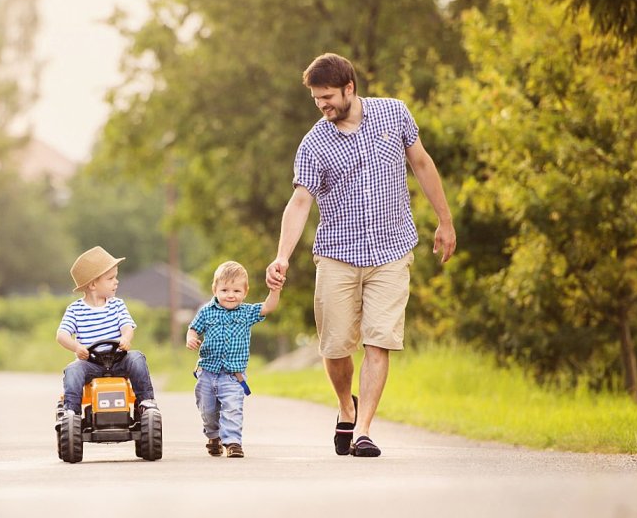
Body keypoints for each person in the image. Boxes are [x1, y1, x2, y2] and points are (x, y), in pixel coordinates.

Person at [265, 53, 455, 458]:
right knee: (334, 348)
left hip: (392, 249)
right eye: (317, 99)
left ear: (350, 88)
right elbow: (300, 201)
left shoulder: (394, 114)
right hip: (337, 254)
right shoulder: (315, 143)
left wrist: (445, 221)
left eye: (328, 96)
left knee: (378, 341)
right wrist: (282, 256)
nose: (322, 105)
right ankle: (345, 405)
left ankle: (364, 430)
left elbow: (420, 162)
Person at [186, 260, 281, 458]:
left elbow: (268, 307)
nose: (231, 295)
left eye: (237, 291)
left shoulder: (246, 312)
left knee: (232, 408)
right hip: (207, 372)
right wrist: (192, 338)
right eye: (225, 290)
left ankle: (233, 443)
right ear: (215, 290)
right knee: (208, 411)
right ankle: (214, 437)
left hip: (232, 376)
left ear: (245, 292)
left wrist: (274, 290)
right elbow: (193, 328)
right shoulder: (206, 311)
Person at [56, 246, 158, 422]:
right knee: (73, 369)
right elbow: (61, 335)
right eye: (111, 278)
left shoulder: (117, 304)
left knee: (137, 358)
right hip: (90, 363)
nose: (116, 282)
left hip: (118, 360)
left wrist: (125, 338)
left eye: (116, 277)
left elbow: (127, 326)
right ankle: (71, 413)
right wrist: (76, 347)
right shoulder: (75, 310)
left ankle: (146, 402)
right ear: (93, 284)